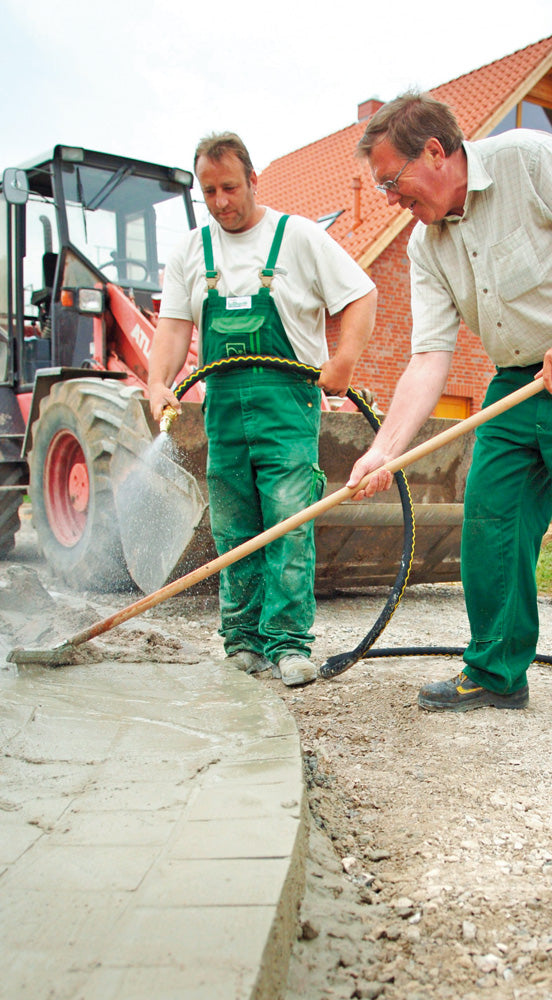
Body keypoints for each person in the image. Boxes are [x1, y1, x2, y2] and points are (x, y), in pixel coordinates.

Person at [346, 93, 552, 753]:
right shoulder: (425, 244)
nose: (388, 197)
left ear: (435, 152)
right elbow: (430, 357)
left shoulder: (529, 160)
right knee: (491, 520)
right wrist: (383, 450)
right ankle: (496, 672)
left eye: (390, 180)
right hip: (519, 379)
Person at [148, 132, 376, 687]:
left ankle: (289, 643)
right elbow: (176, 327)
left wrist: (342, 362)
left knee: (288, 523)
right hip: (222, 406)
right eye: (209, 191)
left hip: (286, 405)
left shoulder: (297, 237)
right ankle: (242, 642)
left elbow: (362, 294)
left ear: (253, 180)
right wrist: (159, 381)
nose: (222, 201)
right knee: (232, 526)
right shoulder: (191, 250)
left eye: (230, 187)